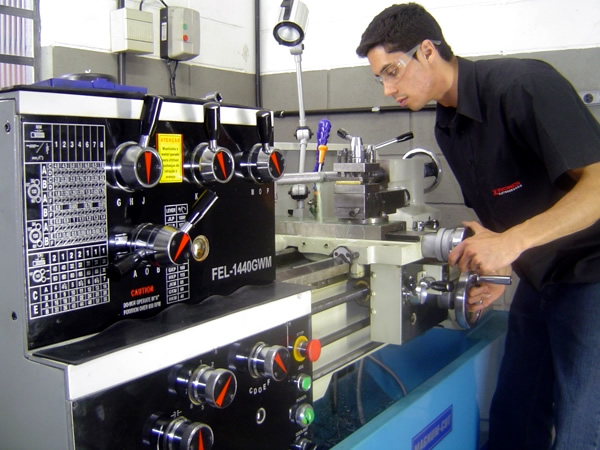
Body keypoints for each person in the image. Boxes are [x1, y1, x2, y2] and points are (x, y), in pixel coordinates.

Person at [357, 3, 600, 449]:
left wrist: (512, 243)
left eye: (392, 71)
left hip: (592, 274)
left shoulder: (524, 86)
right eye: (380, 79)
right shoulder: (449, 127)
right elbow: (507, 211)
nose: (388, 89)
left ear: (427, 50)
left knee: (581, 431)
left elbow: (598, 186)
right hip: (541, 280)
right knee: (514, 416)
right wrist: (498, 263)